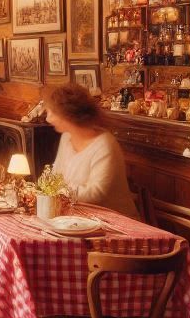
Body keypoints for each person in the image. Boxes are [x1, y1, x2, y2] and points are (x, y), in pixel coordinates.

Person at [45, 83, 139, 218]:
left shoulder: (104, 144)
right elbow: (55, 177)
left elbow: (97, 193)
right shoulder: (66, 138)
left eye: (51, 112)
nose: (48, 119)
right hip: (77, 217)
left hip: (114, 223)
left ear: (68, 115)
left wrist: (59, 192)